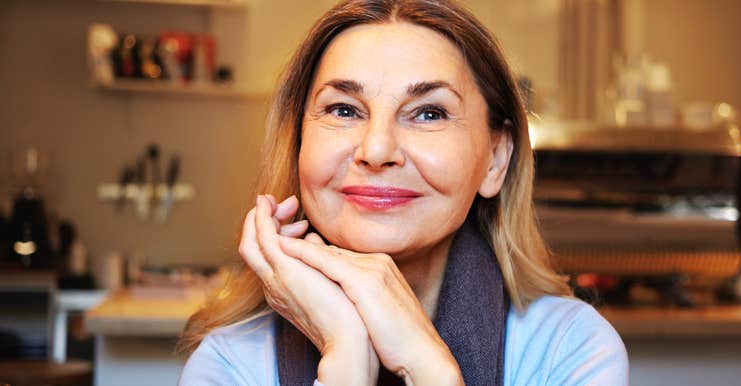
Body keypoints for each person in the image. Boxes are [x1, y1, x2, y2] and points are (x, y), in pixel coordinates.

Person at [178, 0, 629, 385]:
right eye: (343, 109)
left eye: (429, 113)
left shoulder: (569, 352)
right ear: (297, 145)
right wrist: (346, 361)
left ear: (495, 158)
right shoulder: (229, 365)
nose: (376, 150)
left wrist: (428, 367)